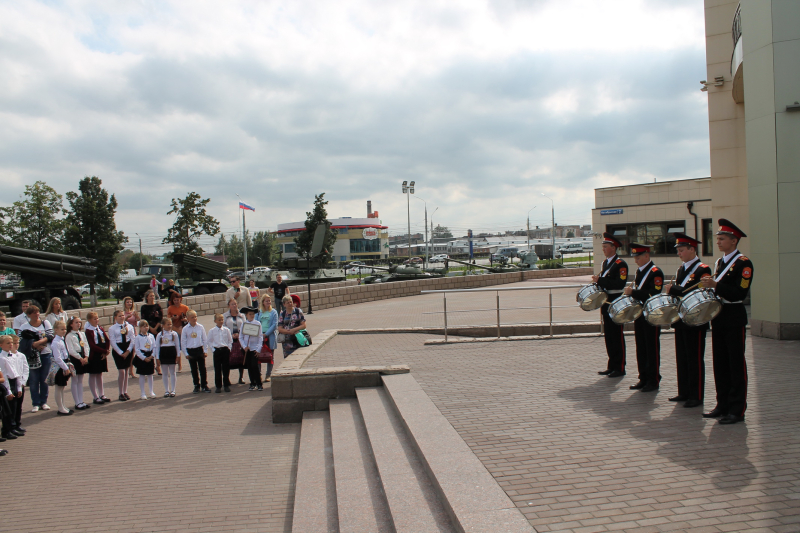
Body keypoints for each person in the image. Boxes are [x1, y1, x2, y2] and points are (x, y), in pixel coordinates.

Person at [700, 219, 754, 425]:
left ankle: (737, 409)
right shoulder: (720, 262)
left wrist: (716, 285)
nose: (719, 242)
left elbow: (740, 293)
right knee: (720, 363)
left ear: (734, 241)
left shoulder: (743, 263)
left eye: (722, 239)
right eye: (718, 239)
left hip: (734, 314)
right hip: (719, 315)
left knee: (735, 364)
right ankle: (722, 404)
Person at [665, 233, 713, 408]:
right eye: (678, 250)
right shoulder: (682, 269)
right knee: (682, 357)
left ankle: (696, 395)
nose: (679, 253)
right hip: (682, 318)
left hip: (696, 319)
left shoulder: (702, 269)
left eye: (682, 250)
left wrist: (674, 290)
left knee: (694, 358)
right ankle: (684, 391)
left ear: (692, 249)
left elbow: (697, 293)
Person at [624, 244, 664, 393]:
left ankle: (653, 379)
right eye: (635, 257)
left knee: (651, 348)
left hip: (651, 315)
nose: (636, 260)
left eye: (639, 257)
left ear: (647, 256)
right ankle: (643, 377)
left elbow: (654, 294)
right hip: (640, 313)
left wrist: (633, 293)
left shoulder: (655, 272)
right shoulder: (640, 271)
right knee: (641, 347)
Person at [592, 233, 628, 378]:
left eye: (606, 247)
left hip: (615, 299)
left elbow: (620, 284)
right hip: (605, 301)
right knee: (609, 335)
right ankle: (611, 365)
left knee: (617, 335)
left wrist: (601, 281)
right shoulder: (606, 263)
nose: (604, 249)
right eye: (603, 247)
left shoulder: (621, 264)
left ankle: (620, 367)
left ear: (614, 248)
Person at [19, 305, 54, 412]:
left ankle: (44, 402)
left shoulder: (45, 323)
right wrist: (33, 345)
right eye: (34, 313)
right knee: (34, 380)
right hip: (32, 357)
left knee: (44, 379)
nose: (37, 314)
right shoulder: (24, 327)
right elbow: (21, 341)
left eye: (38, 312)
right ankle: (35, 403)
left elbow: (50, 335)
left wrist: (39, 343)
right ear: (29, 315)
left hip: (45, 354)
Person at [0, 334, 28, 440]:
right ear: (1, 345)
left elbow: (17, 373)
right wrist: (8, 391)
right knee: (9, 408)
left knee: (16, 406)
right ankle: (7, 430)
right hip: (7, 384)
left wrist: (19, 387)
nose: (11, 345)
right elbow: (4, 375)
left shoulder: (13, 356)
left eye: (12, 342)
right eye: (8, 343)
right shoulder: (2, 358)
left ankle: (14, 426)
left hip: (15, 382)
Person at [84, 311, 111, 405]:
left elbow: (107, 340)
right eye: (94, 319)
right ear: (89, 320)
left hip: (102, 354)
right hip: (94, 354)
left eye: (97, 318)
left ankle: (102, 394)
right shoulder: (88, 331)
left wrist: (106, 350)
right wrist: (103, 351)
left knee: (99, 374)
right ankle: (95, 396)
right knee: (93, 374)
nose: (97, 320)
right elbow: (91, 345)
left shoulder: (100, 328)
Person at [109, 310, 136, 401]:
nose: (122, 317)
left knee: (126, 369)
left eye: (122, 315)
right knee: (121, 372)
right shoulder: (112, 328)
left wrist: (128, 351)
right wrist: (121, 353)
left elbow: (133, 339)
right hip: (118, 349)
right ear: (115, 318)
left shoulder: (129, 326)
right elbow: (112, 342)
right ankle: (120, 392)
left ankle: (125, 391)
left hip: (128, 347)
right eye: (119, 316)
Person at [181, 310, 210, 394]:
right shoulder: (185, 329)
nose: (194, 319)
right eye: (192, 317)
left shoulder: (200, 327)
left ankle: (204, 384)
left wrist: (205, 350)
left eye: (195, 316)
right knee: (194, 369)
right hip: (191, 351)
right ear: (188, 318)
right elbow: (183, 342)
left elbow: (204, 339)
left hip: (199, 350)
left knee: (202, 369)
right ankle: (196, 385)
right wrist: (186, 353)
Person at [65, 317, 91, 410]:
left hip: (83, 357)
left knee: (80, 380)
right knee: (75, 380)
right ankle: (77, 402)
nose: (78, 324)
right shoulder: (69, 336)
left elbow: (86, 345)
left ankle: (81, 400)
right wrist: (80, 358)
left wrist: (86, 357)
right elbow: (71, 350)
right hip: (75, 358)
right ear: (71, 324)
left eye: (79, 322)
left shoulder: (82, 334)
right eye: (76, 322)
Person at [50, 320, 74, 416]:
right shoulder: (55, 342)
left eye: (65, 329)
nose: (64, 331)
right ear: (56, 330)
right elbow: (58, 358)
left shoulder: (61, 339)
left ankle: (63, 406)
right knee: (59, 387)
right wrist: (65, 367)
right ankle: (60, 408)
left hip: (64, 364)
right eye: (61, 329)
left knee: (62, 387)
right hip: (59, 366)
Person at [155, 318, 180, 397]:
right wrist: (157, 358)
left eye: (171, 324)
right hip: (163, 353)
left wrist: (178, 355)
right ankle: (166, 390)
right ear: (163, 325)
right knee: (165, 373)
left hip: (172, 353)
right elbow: (157, 347)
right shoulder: (159, 335)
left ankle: (173, 390)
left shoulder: (174, 334)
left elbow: (177, 345)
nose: (170, 326)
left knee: (172, 372)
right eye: (168, 324)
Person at [208, 313, 233, 393]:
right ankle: (218, 386)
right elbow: (210, 341)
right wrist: (213, 350)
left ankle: (226, 385)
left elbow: (230, 340)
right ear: (215, 321)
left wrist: (229, 348)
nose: (221, 321)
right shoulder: (212, 331)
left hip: (225, 350)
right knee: (217, 369)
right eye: (219, 320)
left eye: (222, 320)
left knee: (226, 368)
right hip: (217, 351)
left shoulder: (226, 330)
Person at [223, 299, 246, 385]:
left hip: (240, 339)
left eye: (235, 304)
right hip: (229, 340)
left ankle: (241, 377)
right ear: (229, 305)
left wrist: (239, 334)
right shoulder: (225, 316)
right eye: (232, 304)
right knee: (229, 358)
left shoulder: (242, 315)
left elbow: (245, 326)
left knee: (241, 357)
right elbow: (224, 327)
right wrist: (231, 335)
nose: (234, 306)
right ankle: (227, 378)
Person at [258, 294, 278, 382]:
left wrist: (266, 334)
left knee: (270, 355)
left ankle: (268, 374)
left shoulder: (273, 312)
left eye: (269, 301)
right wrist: (260, 334)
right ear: (263, 302)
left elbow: (274, 325)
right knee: (258, 355)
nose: (268, 302)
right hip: (260, 336)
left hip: (270, 336)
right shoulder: (259, 312)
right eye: (266, 301)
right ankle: (259, 374)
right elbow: (256, 323)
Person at [134, 320, 157, 400]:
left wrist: (152, 356)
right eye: (144, 326)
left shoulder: (151, 336)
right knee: (142, 375)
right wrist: (143, 358)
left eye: (147, 326)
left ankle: (151, 391)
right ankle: (142, 393)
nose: (146, 328)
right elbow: (137, 349)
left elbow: (154, 346)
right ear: (140, 328)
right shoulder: (138, 337)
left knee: (150, 374)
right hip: (142, 357)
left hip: (150, 355)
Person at [278, 295, 307, 359]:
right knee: (288, 359)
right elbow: (280, 328)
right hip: (287, 341)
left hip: (297, 338)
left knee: (299, 357)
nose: (290, 304)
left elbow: (304, 325)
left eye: (291, 302)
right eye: (288, 302)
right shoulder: (282, 314)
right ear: (284, 304)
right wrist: (288, 331)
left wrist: (294, 330)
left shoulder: (298, 311)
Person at [167, 291, 189, 373]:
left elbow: (189, 317)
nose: (176, 302)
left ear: (181, 299)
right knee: (177, 349)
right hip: (174, 329)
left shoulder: (185, 307)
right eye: (175, 300)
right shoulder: (170, 308)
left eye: (178, 300)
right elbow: (168, 319)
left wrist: (185, 319)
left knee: (185, 347)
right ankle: (179, 365)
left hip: (183, 328)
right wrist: (173, 318)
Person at [242, 307, 263, 391]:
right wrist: (244, 346)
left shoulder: (257, 324)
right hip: (247, 349)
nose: (251, 316)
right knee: (249, 366)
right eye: (250, 314)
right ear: (246, 315)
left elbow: (260, 337)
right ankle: (252, 383)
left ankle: (259, 383)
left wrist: (258, 349)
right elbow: (240, 337)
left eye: (253, 314)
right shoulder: (244, 324)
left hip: (255, 349)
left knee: (255, 366)